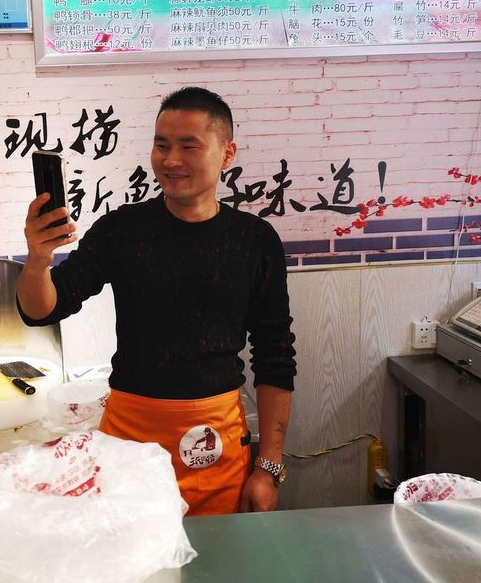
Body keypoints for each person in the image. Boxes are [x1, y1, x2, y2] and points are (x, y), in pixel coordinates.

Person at [17, 87, 296, 516]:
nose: (171, 160)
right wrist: (38, 260)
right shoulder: (121, 230)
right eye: (161, 145)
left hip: (214, 442)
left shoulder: (254, 240)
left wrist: (269, 467)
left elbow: (275, 355)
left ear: (227, 153)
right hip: (129, 439)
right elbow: (44, 309)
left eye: (189, 146)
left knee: (217, 552)